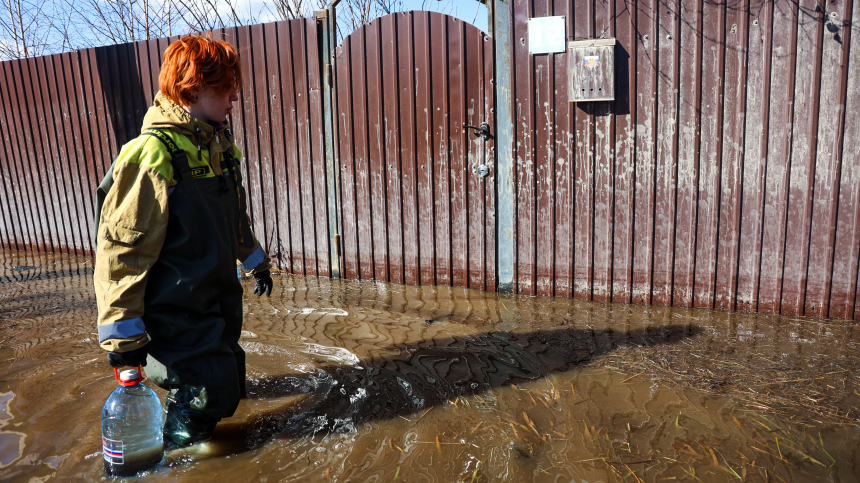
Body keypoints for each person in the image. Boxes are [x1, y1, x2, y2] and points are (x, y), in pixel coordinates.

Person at [93, 35, 274, 449]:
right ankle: (175, 459)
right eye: (224, 88)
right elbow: (122, 254)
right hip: (172, 307)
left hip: (215, 295)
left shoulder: (218, 146)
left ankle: (196, 425)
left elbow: (233, 216)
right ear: (193, 87)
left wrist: (254, 260)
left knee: (230, 370)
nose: (233, 98)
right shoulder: (151, 154)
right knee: (209, 390)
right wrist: (122, 340)